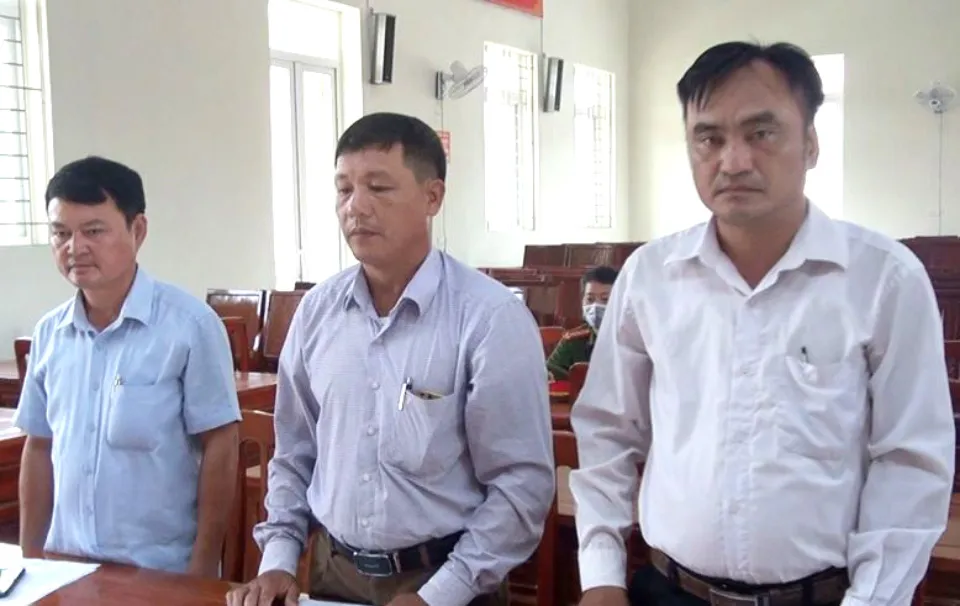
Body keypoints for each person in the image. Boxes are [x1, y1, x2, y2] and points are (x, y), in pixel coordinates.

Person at [571, 41, 955, 606]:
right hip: (669, 590)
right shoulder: (651, 277)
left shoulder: (884, 279)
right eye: (709, 138)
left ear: (811, 143)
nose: (733, 161)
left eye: (762, 133)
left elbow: (909, 460)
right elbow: (609, 430)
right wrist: (602, 573)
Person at [226, 113, 554, 606]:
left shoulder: (488, 318)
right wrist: (278, 559)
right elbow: (294, 454)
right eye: (344, 189)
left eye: (378, 187)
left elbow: (520, 483)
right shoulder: (317, 312)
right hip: (334, 573)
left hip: (450, 577)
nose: (355, 207)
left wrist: (440, 594)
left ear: (432, 197)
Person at [14, 156, 241, 576]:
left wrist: (201, 571)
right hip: (65, 567)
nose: (74, 247)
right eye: (60, 233)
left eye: (93, 231)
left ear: (138, 230)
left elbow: (221, 446)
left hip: (160, 573)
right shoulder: (49, 334)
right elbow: (39, 447)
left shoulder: (189, 326)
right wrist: (31, 564)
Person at [547, 265, 618, 379]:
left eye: (605, 299)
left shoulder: (634, 340)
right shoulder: (573, 341)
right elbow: (549, 374)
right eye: (590, 299)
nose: (595, 306)